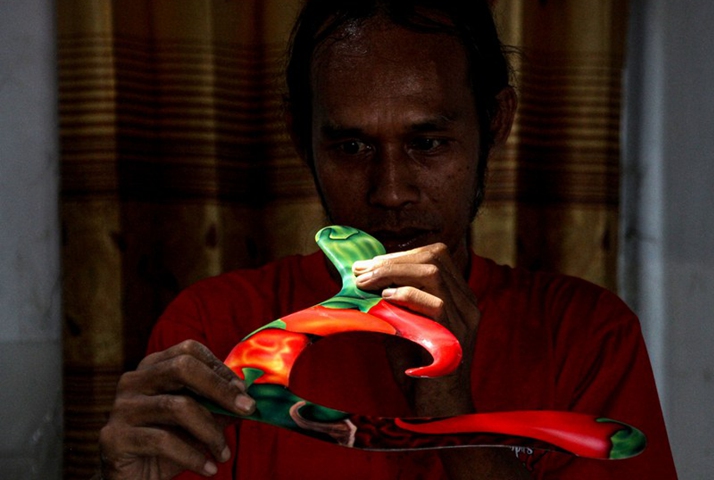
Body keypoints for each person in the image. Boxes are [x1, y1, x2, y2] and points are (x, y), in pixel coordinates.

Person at [97, 0, 678, 478]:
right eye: (352, 147)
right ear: (303, 138)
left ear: (495, 122)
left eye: (428, 144)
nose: (391, 191)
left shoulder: (586, 336)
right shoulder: (216, 328)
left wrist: (451, 405)